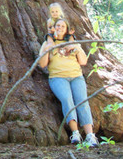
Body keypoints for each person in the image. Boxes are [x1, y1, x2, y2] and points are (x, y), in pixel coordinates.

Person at [39, 18, 99, 147]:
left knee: (82, 101)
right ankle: (75, 133)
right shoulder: (48, 43)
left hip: (76, 77)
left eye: (63, 26)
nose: (60, 28)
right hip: (58, 77)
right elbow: (43, 64)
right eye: (58, 26)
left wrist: (76, 49)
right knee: (67, 99)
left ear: (66, 30)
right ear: (54, 28)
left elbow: (83, 62)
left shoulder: (73, 42)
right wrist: (47, 50)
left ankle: (90, 135)